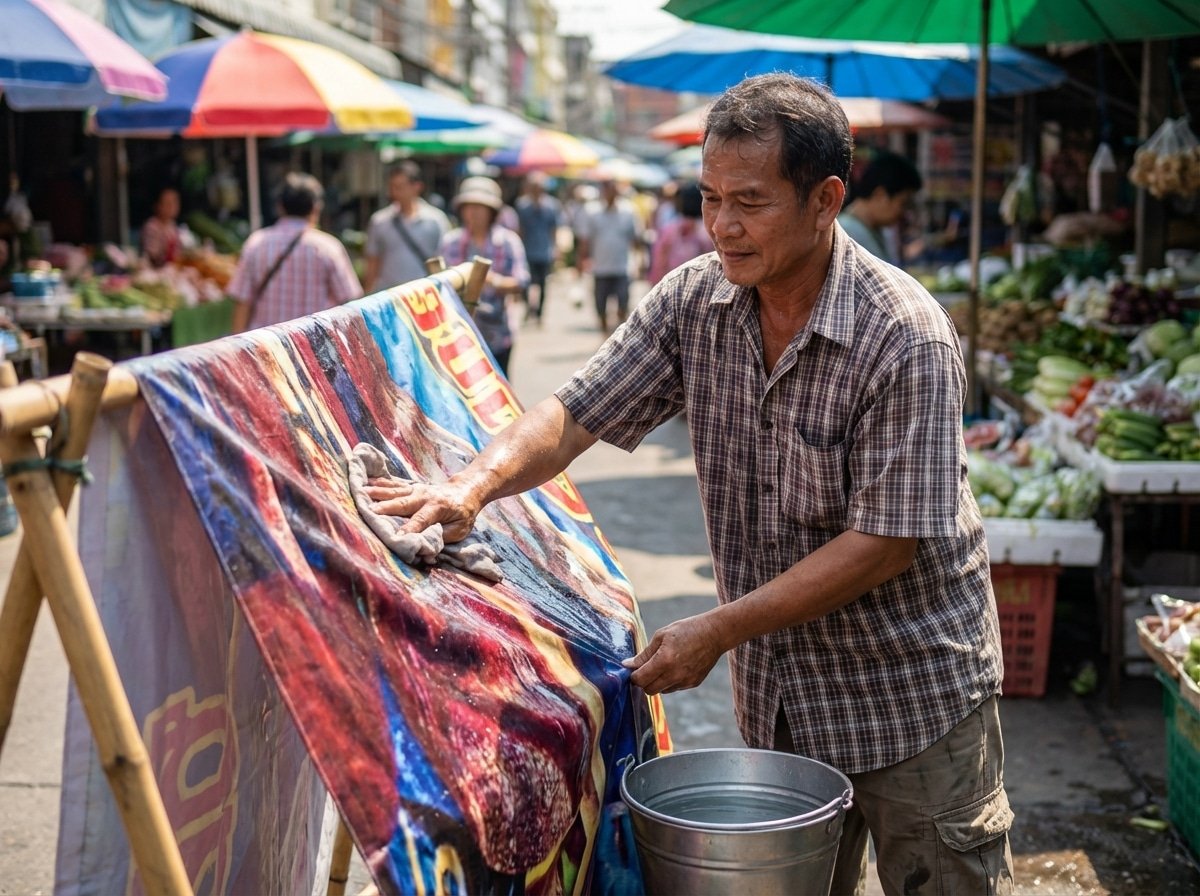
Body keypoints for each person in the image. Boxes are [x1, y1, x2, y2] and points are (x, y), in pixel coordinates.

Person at [364, 73, 1012, 896]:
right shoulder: (696, 300)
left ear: (827, 200)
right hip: (784, 707)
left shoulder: (903, 335)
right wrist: (471, 486)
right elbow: (574, 411)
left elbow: (884, 545)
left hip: (912, 698)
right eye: (709, 198)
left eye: (750, 201)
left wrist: (717, 629)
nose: (723, 227)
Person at [228, 172, 361, 333]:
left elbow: (242, 303)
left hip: (265, 348)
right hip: (314, 348)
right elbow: (349, 302)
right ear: (315, 207)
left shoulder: (256, 243)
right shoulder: (329, 248)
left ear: (280, 206)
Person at [439, 176, 529, 377]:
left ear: (492, 211)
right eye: (468, 206)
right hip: (457, 333)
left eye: (480, 207)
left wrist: (491, 280)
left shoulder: (507, 241)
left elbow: (521, 281)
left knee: (499, 389)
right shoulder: (451, 241)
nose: (473, 212)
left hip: (498, 333)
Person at [363, 161, 451, 293]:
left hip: (424, 296)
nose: (395, 192)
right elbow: (373, 262)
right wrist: (367, 294)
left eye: (400, 187)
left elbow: (445, 260)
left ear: (417, 186)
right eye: (392, 187)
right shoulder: (379, 221)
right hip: (388, 298)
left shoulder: (436, 220)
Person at [575, 178, 641, 333]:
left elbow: (635, 239)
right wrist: (581, 261)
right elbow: (585, 240)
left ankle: (622, 338)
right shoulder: (592, 212)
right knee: (601, 308)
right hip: (600, 268)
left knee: (623, 306)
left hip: (622, 267)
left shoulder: (628, 211)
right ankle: (605, 336)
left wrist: (640, 261)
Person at [837, 150, 923, 267]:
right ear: (880, 195)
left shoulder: (878, 230)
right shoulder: (846, 233)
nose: (904, 212)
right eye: (903, 203)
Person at [514, 171, 561, 324]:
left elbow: (554, 228)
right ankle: (529, 307)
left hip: (544, 250)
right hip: (527, 250)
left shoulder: (551, 205)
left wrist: (555, 247)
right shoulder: (522, 205)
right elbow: (520, 228)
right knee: (527, 282)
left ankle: (540, 313)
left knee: (542, 284)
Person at [647, 182, 713, 286]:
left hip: (672, 285)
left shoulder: (670, 229)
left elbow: (659, 260)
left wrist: (657, 285)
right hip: (702, 286)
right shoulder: (710, 231)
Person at [140, 187, 186, 268]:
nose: (172, 207)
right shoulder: (152, 226)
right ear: (157, 206)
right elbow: (153, 256)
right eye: (168, 203)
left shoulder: (173, 226)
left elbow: (178, 253)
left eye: (174, 203)